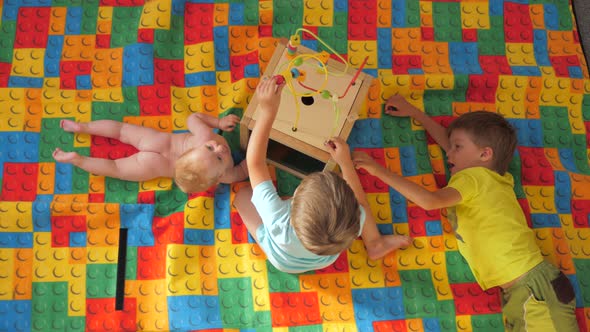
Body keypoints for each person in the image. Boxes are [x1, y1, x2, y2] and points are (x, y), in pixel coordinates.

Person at [352, 95, 579, 331]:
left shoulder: (474, 178)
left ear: (485, 154)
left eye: (457, 147)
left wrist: (376, 169)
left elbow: (430, 201)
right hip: (527, 289)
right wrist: (416, 114)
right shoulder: (491, 178)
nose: (449, 154)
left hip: (533, 288)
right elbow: (452, 144)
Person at [233, 76, 412, 274]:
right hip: (320, 258)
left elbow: (255, 163)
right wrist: (345, 162)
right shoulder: (352, 219)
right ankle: (375, 242)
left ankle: (375, 242)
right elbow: (359, 200)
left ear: (297, 195)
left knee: (242, 197)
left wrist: (268, 111)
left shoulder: (279, 221)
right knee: (359, 205)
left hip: (283, 260)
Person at [52, 112, 248, 193]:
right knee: (116, 168)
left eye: (219, 156)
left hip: (158, 144)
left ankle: (80, 137)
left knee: (121, 134)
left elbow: (193, 118)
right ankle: (79, 153)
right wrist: (219, 123)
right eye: (211, 148)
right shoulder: (224, 174)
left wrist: (217, 124)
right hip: (156, 164)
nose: (220, 147)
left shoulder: (205, 137)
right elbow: (242, 171)